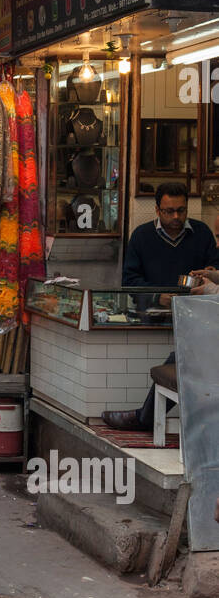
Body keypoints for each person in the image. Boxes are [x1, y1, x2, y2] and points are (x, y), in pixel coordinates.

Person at [102, 183, 219, 431]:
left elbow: (214, 271)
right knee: (182, 355)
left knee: (183, 354)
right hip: (154, 315)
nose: (176, 217)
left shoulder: (202, 233)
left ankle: (144, 418)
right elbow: (130, 281)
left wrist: (209, 276)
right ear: (157, 210)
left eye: (181, 210)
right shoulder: (142, 236)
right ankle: (145, 417)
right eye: (169, 211)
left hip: (197, 316)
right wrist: (157, 297)